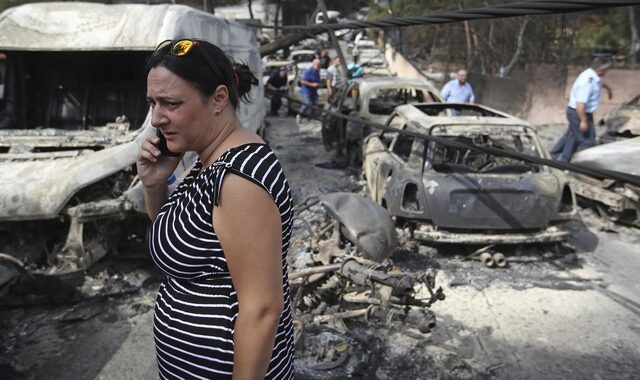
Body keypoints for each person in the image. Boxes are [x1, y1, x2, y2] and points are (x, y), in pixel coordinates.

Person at [137, 39, 294, 379]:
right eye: (152, 102)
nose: (156, 118)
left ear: (219, 99)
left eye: (170, 103)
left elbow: (263, 309)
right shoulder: (208, 160)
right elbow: (183, 240)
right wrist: (154, 184)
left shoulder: (238, 179)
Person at [550, 57, 613, 161]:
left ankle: (557, 159)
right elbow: (580, 103)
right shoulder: (587, 82)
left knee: (571, 137)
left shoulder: (593, 75)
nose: (606, 72)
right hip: (579, 113)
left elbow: (599, 82)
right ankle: (580, 164)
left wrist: (608, 89)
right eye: (606, 70)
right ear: (601, 70)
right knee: (587, 141)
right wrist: (583, 121)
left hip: (579, 112)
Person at [297, 57, 321, 123]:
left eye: (319, 64)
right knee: (307, 104)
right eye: (318, 64)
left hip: (314, 91)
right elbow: (303, 81)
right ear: (314, 64)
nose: (319, 66)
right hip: (306, 91)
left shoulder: (317, 72)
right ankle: (300, 115)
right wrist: (312, 84)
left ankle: (311, 118)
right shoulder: (308, 71)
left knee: (315, 105)